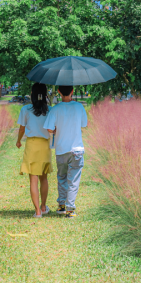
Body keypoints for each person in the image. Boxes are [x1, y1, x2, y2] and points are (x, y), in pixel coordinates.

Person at [43, 85, 87, 218]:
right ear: (72, 91)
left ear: (59, 92)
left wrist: (56, 130)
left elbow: (49, 129)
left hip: (61, 149)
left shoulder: (55, 109)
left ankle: (61, 205)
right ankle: (70, 209)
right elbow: (84, 124)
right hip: (76, 150)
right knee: (73, 179)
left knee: (61, 177)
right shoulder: (79, 107)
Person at [16, 82, 52, 218]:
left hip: (31, 145)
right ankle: (43, 207)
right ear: (46, 95)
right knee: (44, 178)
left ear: (32, 95)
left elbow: (21, 128)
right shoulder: (49, 110)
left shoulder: (25, 110)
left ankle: (37, 211)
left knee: (33, 179)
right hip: (45, 145)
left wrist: (18, 140)